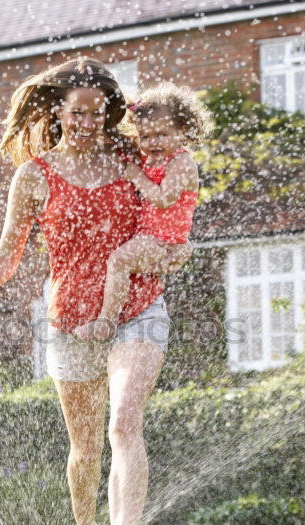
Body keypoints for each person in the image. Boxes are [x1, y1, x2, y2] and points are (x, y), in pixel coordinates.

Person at [0, 58, 191, 525]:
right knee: (85, 449)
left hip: (137, 305)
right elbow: (9, 257)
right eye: (76, 113)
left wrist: (176, 247)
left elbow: (177, 195)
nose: (86, 123)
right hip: (71, 320)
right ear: (59, 111)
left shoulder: (130, 155)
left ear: (108, 113)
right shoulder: (34, 175)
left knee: (124, 421)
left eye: (96, 113)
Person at [74, 82, 213, 342]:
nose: (153, 142)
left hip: (161, 240)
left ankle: (106, 322)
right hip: (156, 238)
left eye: (162, 134)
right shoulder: (155, 157)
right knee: (123, 264)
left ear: (182, 130)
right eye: (146, 137)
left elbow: (163, 199)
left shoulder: (181, 162)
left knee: (118, 261)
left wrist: (137, 176)